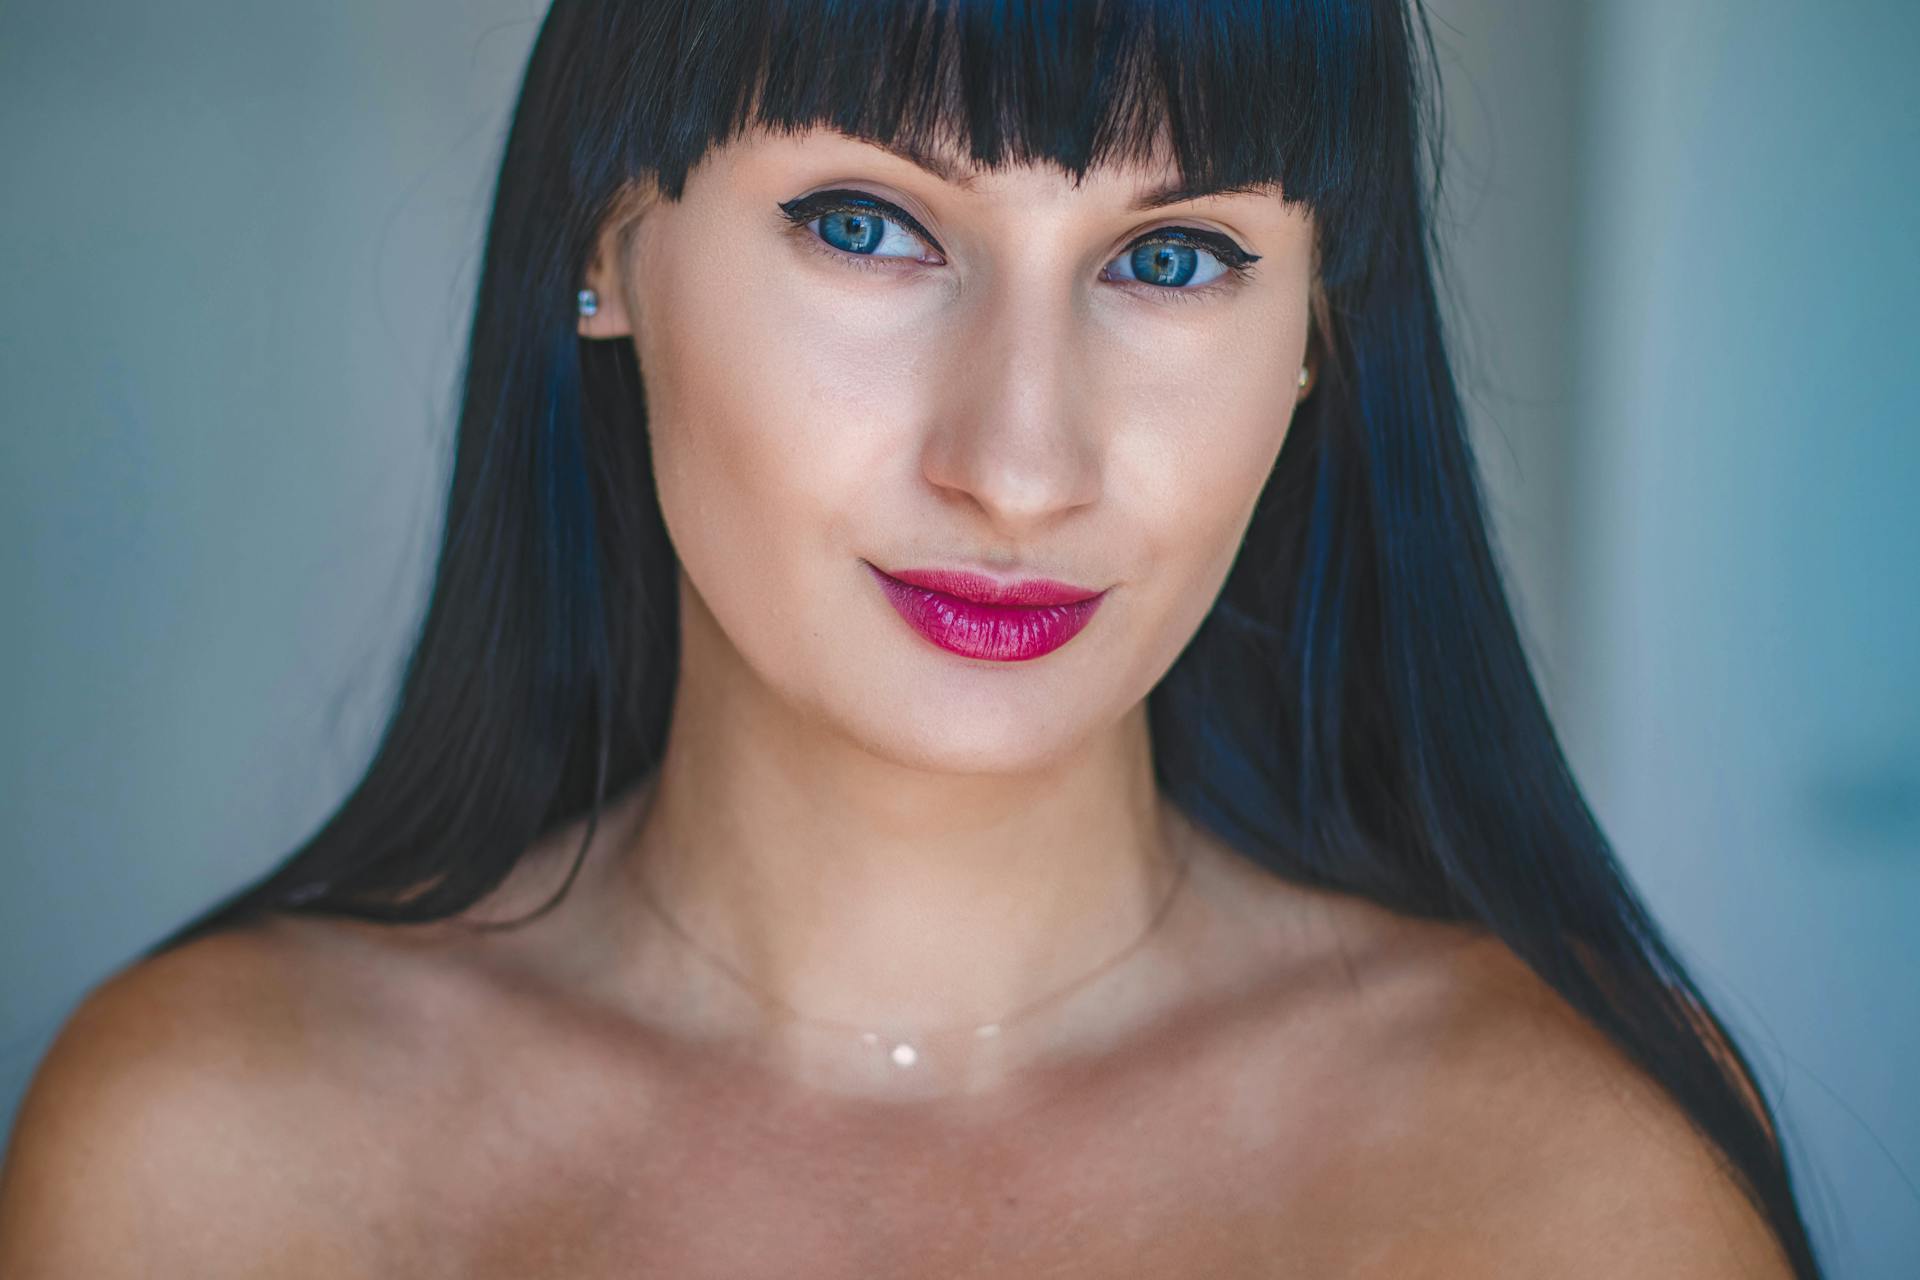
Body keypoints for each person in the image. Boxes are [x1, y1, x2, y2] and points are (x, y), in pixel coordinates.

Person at [0, 1, 1825, 1274]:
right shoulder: (201, 1155)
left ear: (1321, 334)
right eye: (867, 224)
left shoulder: (1579, 1156)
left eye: (1171, 257)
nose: (1019, 465)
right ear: (608, 245)